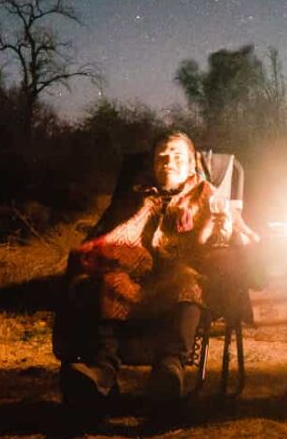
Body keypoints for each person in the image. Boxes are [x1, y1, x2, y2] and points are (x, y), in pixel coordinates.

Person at [53, 131, 257, 409]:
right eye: (161, 157)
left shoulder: (207, 194)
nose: (168, 162)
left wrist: (228, 233)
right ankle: (102, 372)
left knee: (189, 282)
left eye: (176, 156)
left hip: (178, 274)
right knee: (108, 282)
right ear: (152, 166)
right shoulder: (134, 197)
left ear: (190, 165)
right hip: (132, 274)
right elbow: (107, 235)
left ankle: (170, 369)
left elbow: (243, 237)